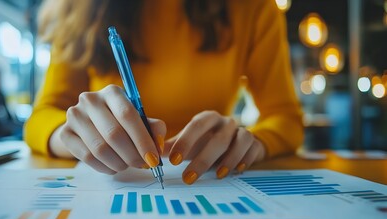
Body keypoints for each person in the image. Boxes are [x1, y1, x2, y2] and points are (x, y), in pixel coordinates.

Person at [25, 0, 303, 185]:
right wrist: (75, 136)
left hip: (213, 172)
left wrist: (253, 143)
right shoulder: (79, 7)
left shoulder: (253, 7)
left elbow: (285, 117)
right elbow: (42, 116)